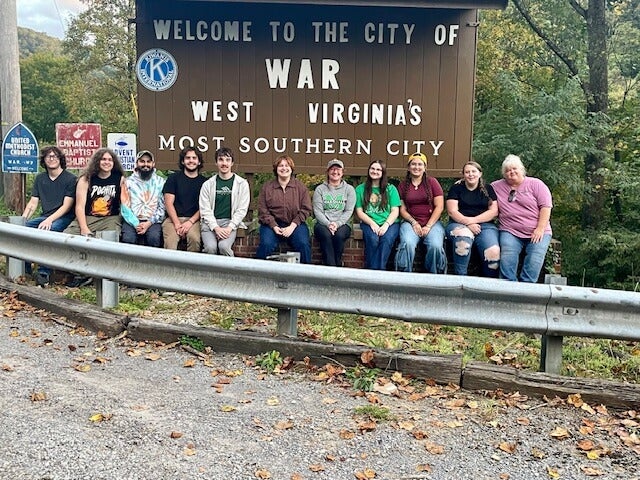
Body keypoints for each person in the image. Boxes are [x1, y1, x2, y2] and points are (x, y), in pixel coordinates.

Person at [64, 148, 129, 287]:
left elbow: (126, 203)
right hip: (88, 217)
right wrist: (84, 228)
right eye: (103, 159)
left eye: (110, 160)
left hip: (110, 218)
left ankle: (102, 276)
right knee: (66, 238)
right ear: (97, 161)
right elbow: (79, 206)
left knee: (108, 243)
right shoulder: (86, 179)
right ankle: (81, 273)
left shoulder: (120, 178)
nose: (107, 162)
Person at [491, 154, 553, 282]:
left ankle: (527, 288)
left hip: (537, 230)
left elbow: (546, 207)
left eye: (514, 169)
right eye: (507, 170)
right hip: (510, 230)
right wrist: (462, 182)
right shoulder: (496, 187)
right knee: (507, 254)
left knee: (535, 258)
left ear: (522, 170)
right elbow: (478, 188)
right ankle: (508, 287)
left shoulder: (536, 184)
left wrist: (540, 229)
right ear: (504, 174)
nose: (511, 172)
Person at [21, 146, 77, 287]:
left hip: (63, 217)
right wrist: (23, 219)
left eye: (55, 156)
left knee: (48, 231)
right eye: (48, 157)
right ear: (44, 160)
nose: (51, 159)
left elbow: (66, 206)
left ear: (60, 159)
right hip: (44, 216)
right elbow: (33, 202)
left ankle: (43, 273)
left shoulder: (70, 179)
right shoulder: (40, 179)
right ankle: (25, 268)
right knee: (22, 230)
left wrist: (49, 220)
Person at [446, 161, 500, 277]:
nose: (470, 174)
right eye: (467, 172)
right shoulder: (456, 188)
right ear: (463, 174)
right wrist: (468, 223)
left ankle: (489, 284)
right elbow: (452, 211)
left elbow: (493, 211)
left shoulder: (488, 188)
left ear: (480, 173)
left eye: (473, 171)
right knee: (463, 242)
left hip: (485, 225)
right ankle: (461, 279)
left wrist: (473, 221)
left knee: (493, 252)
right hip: (458, 224)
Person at [395, 152, 446, 273]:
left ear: (425, 167)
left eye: (420, 164)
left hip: (432, 222)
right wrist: (413, 223)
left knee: (435, 245)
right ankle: (404, 275)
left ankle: (433, 275)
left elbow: (439, 206)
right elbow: (402, 209)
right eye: (413, 164)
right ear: (408, 167)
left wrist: (428, 225)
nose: (416, 167)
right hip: (410, 222)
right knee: (407, 243)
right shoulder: (402, 185)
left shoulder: (432, 182)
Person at [256, 155, 312, 263]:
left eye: (287, 165)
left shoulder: (300, 187)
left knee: (303, 244)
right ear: (276, 169)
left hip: (295, 224)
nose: (284, 168)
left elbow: (306, 209)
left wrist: (292, 226)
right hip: (271, 225)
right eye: (281, 166)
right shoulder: (267, 187)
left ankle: (306, 276)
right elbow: (263, 210)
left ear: (291, 169)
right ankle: (255, 273)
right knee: (266, 244)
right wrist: (274, 225)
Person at [199, 147, 250, 256]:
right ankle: (208, 273)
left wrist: (229, 227)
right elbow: (205, 209)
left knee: (224, 247)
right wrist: (216, 228)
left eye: (228, 160)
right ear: (216, 163)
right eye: (221, 160)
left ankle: (230, 272)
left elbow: (242, 209)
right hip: (209, 224)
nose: (224, 163)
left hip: (229, 223)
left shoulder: (242, 184)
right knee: (210, 248)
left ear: (232, 163)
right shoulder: (208, 184)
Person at [355, 160, 401, 270]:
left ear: (383, 172)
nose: (375, 171)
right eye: (373, 168)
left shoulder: (391, 189)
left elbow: (395, 211)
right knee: (372, 239)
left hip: (390, 223)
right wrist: (372, 223)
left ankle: (376, 271)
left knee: (387, 239)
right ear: (369, 170)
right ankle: (376, 271)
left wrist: (386, 225)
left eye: (378, 169)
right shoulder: (360, 189)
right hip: (368, 222)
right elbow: (359, 211)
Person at [162, 146, 207, 252]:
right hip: (172, 219)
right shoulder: (173, 179)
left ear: (199, 162)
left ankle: (192, 268)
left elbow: (205, 206)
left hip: (195, 220)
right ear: (183, 161)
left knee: (194, 239)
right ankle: (169, 268)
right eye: (188, 158)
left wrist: (190, 222)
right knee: (170, 242)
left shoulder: (205, 183)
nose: (191, 161)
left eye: (194, 158)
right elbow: (168, 203)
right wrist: (177, 224)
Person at [312, 158, 356, 267]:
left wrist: (337, 224)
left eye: (338, 169)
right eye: (332, 169)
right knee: (325, 235)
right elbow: (318, 211)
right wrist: (328, 224)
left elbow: (348, 211)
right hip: (323, 223)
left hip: (342, 224)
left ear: (342, 172)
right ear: (328, 172)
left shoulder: (349, 190)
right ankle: (333, 268)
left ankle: (333, 267)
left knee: (339, 235)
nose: (335, 172)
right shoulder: (320, 189)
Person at [121, 150, 165, 247]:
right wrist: (136, 224)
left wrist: (148, 223)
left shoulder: (161, 182)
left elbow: (162, 208)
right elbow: (124, 207)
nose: (145, 164)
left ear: (153, 164)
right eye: (142, 161)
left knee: (154, 238)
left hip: (153, 221)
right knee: (128, 238)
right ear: (137, 163)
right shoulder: (128, 182)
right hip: (131, 220)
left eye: (148, 162)